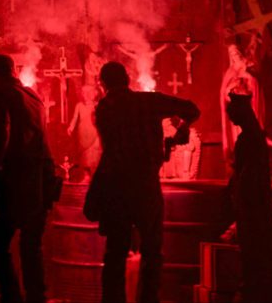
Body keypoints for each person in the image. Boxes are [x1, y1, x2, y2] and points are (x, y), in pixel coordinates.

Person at [85, 62, 199, 303]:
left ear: (103, 84)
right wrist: (183, 128)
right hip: (146, 184)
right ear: (127, 79)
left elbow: (111, 150)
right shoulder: (148, 101)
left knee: (115, 253)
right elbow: (191, 109)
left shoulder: (104, 108)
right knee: (152, 251)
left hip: (117, 188)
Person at [0, 54, 59, 303]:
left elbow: (2, 130)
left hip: (18, 174)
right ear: (13, 70)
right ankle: (37, 296)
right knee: (31, 242)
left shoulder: (1, 92)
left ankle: (12, 295)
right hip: (42, 175)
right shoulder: (33, 96)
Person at [226, 92, 272, 302]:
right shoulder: (251, 137)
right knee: (251, 246)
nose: (231, 118)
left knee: (254, 247)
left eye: (233, 114)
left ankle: (255, 288)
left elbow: (249, 173)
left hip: (252, 204)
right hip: (250, 201)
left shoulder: (250, 138)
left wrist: (239, 190)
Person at [66, 84, 102, 173]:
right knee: (85, 155)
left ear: (93, 94)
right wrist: (71, 127)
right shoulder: (79, 105)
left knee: (94, 152)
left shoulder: (96, 105)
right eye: (84, 93)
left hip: (94, 131)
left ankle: (94, 173)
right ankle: (86, 173)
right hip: (83, 132)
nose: (86, 96)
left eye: (89, 93)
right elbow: (74, 118)